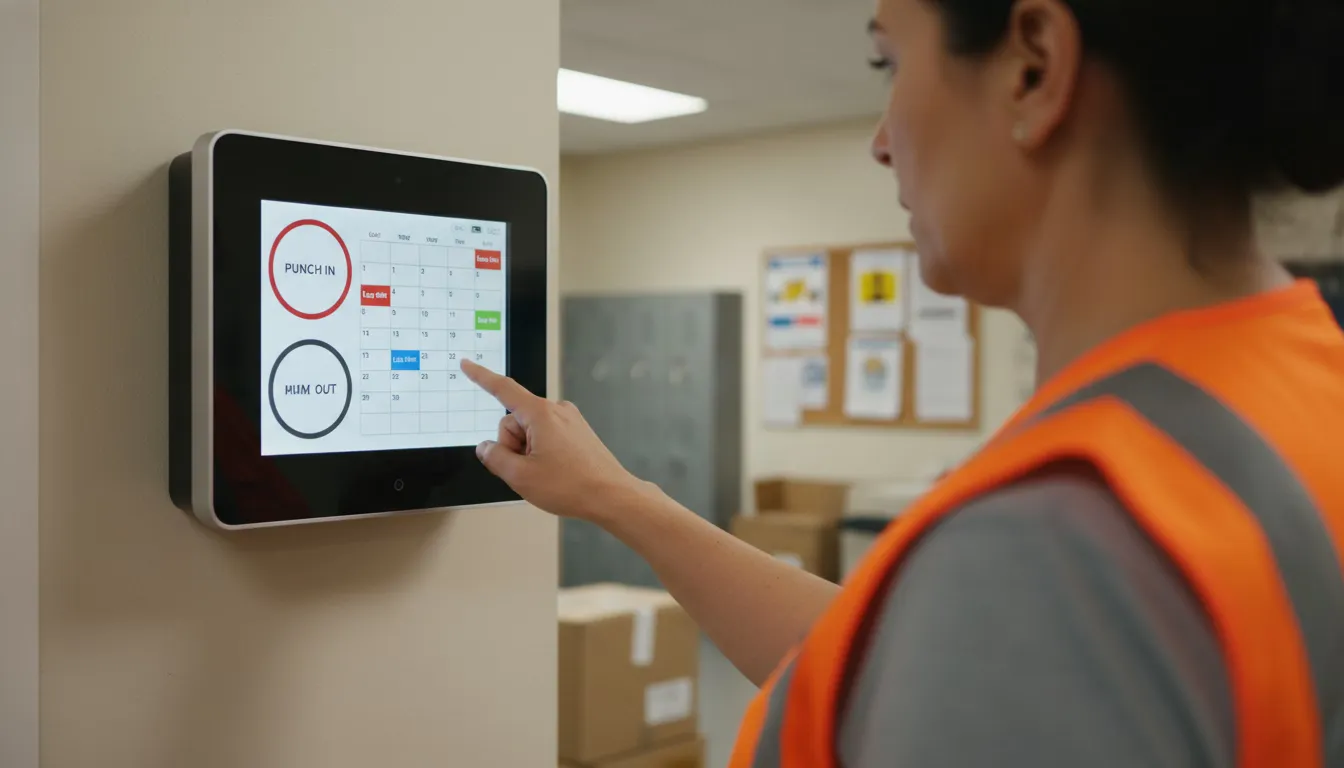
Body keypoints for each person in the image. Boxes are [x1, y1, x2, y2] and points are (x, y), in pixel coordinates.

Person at [462, 0, 1344, 763]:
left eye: (891, 62)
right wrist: (620, 498)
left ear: (1034, 67)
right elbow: (887, 661)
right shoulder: (1300, 381)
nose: (881, 142)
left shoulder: (1053, 541)